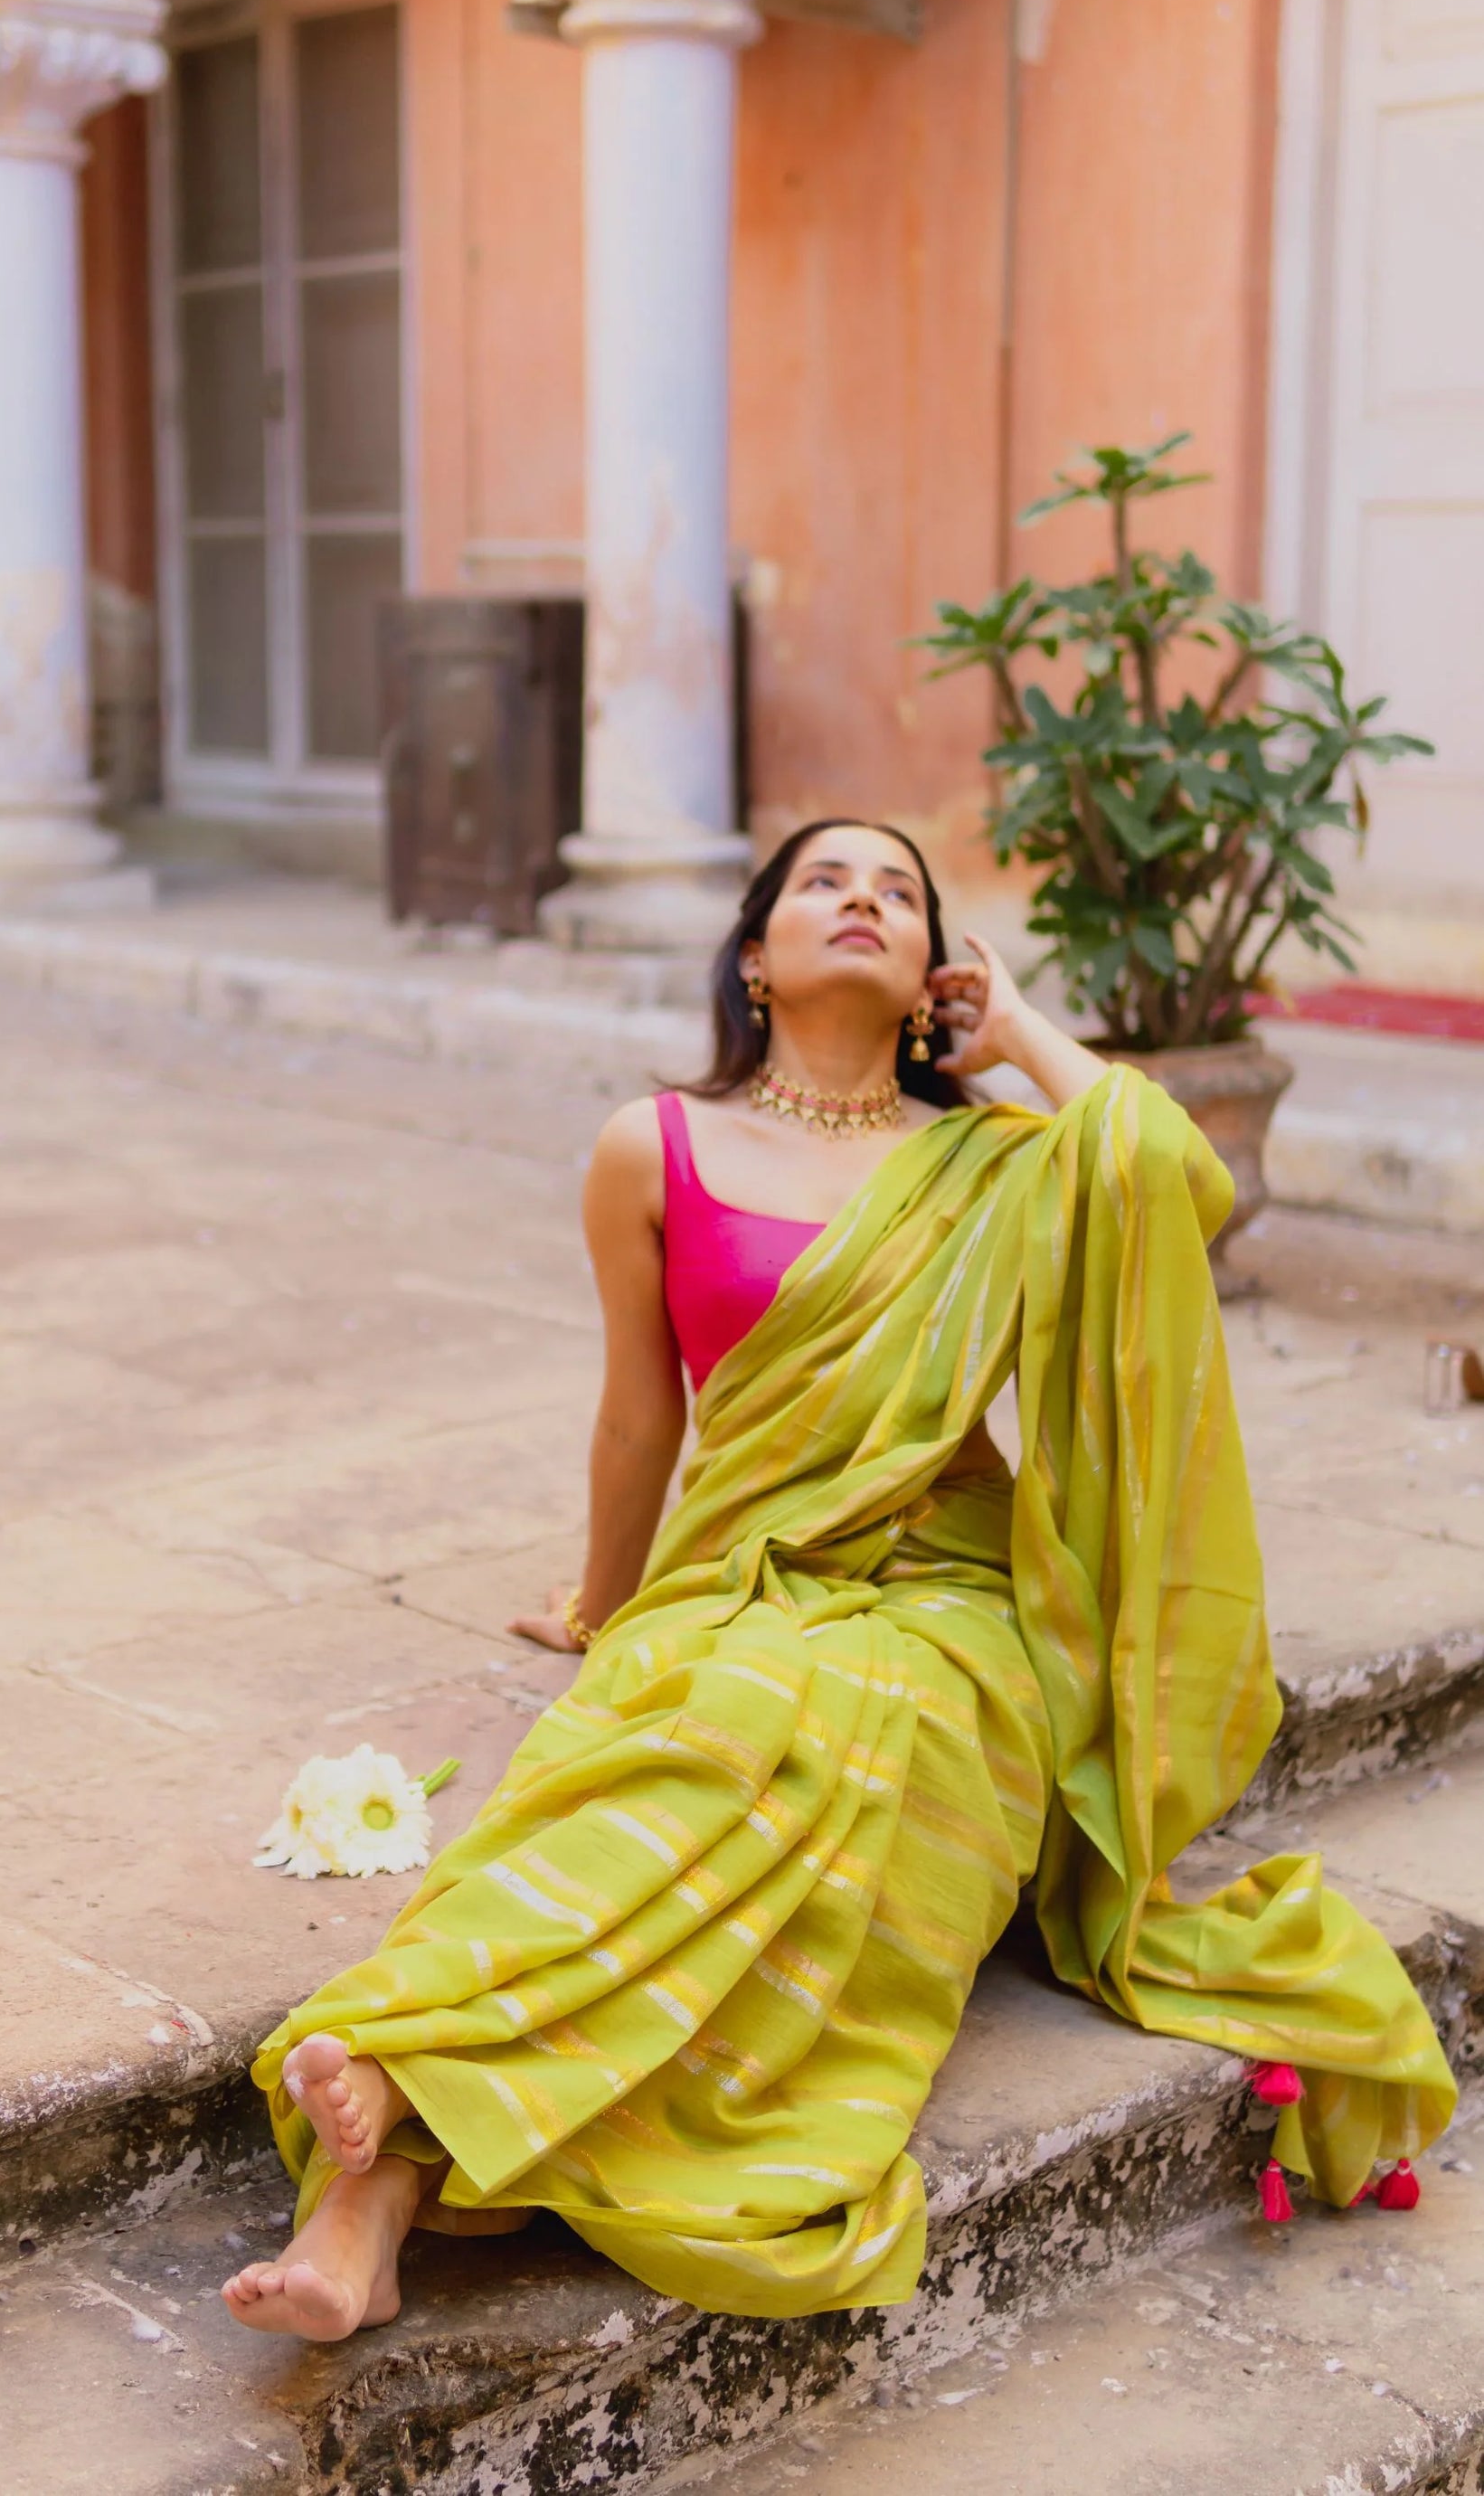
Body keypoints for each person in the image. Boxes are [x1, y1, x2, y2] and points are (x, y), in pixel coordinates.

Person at [224, 819, 1453, 2344]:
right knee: (673, 1738)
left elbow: (1175, 1179)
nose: (863, 898)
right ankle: (363, 2209)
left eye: (898, 891)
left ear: (934, 966)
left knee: (842, 1726)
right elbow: (639, 1417)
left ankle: (400, 2123)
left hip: (952, 1594)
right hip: (744, 1564)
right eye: (824, 881)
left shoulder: (989, 1161)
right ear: (755, 953)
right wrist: (603, 1604)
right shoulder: (653, 1145)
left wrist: (1018, 1036)